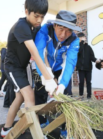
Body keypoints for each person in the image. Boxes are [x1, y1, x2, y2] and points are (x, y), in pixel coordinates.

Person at [1, 0, 57, 137]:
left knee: (20, 97)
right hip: (12, 67)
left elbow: (41, 51)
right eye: (36, 16)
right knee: (30, 96)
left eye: (42, 17)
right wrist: (48, 79)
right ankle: (36, 134)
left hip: (22, 67)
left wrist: (48, 71)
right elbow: (34, 52)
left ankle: (6, 128)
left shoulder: (36, 27)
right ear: (26, 11)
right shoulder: (21, 26)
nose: (39, 20)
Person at [34, 10, 81, 139]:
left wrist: (62, 85)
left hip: (61, 68)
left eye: (68, 31)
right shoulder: (45, 30)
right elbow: (38, 52)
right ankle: (43, 123)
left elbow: (70, 63)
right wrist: (46, 76)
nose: (63, 34)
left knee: (66, 97)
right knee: (39, 94)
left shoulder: (74, 40)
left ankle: (66, 129)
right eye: (60, 29)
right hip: (43, 66)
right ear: (54, 25)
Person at [76, 32, 100, 99]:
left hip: (88, 68)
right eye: (81, 37)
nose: (83, 38)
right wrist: (81, 43)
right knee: (81, 82)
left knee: (88, 82)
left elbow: (92, 57)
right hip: (80, 68)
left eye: (83, 37)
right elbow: (78, 53)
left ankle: (89, 95)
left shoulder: (88, 47)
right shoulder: (77, 46)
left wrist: (96, 60)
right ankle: (81, 95)